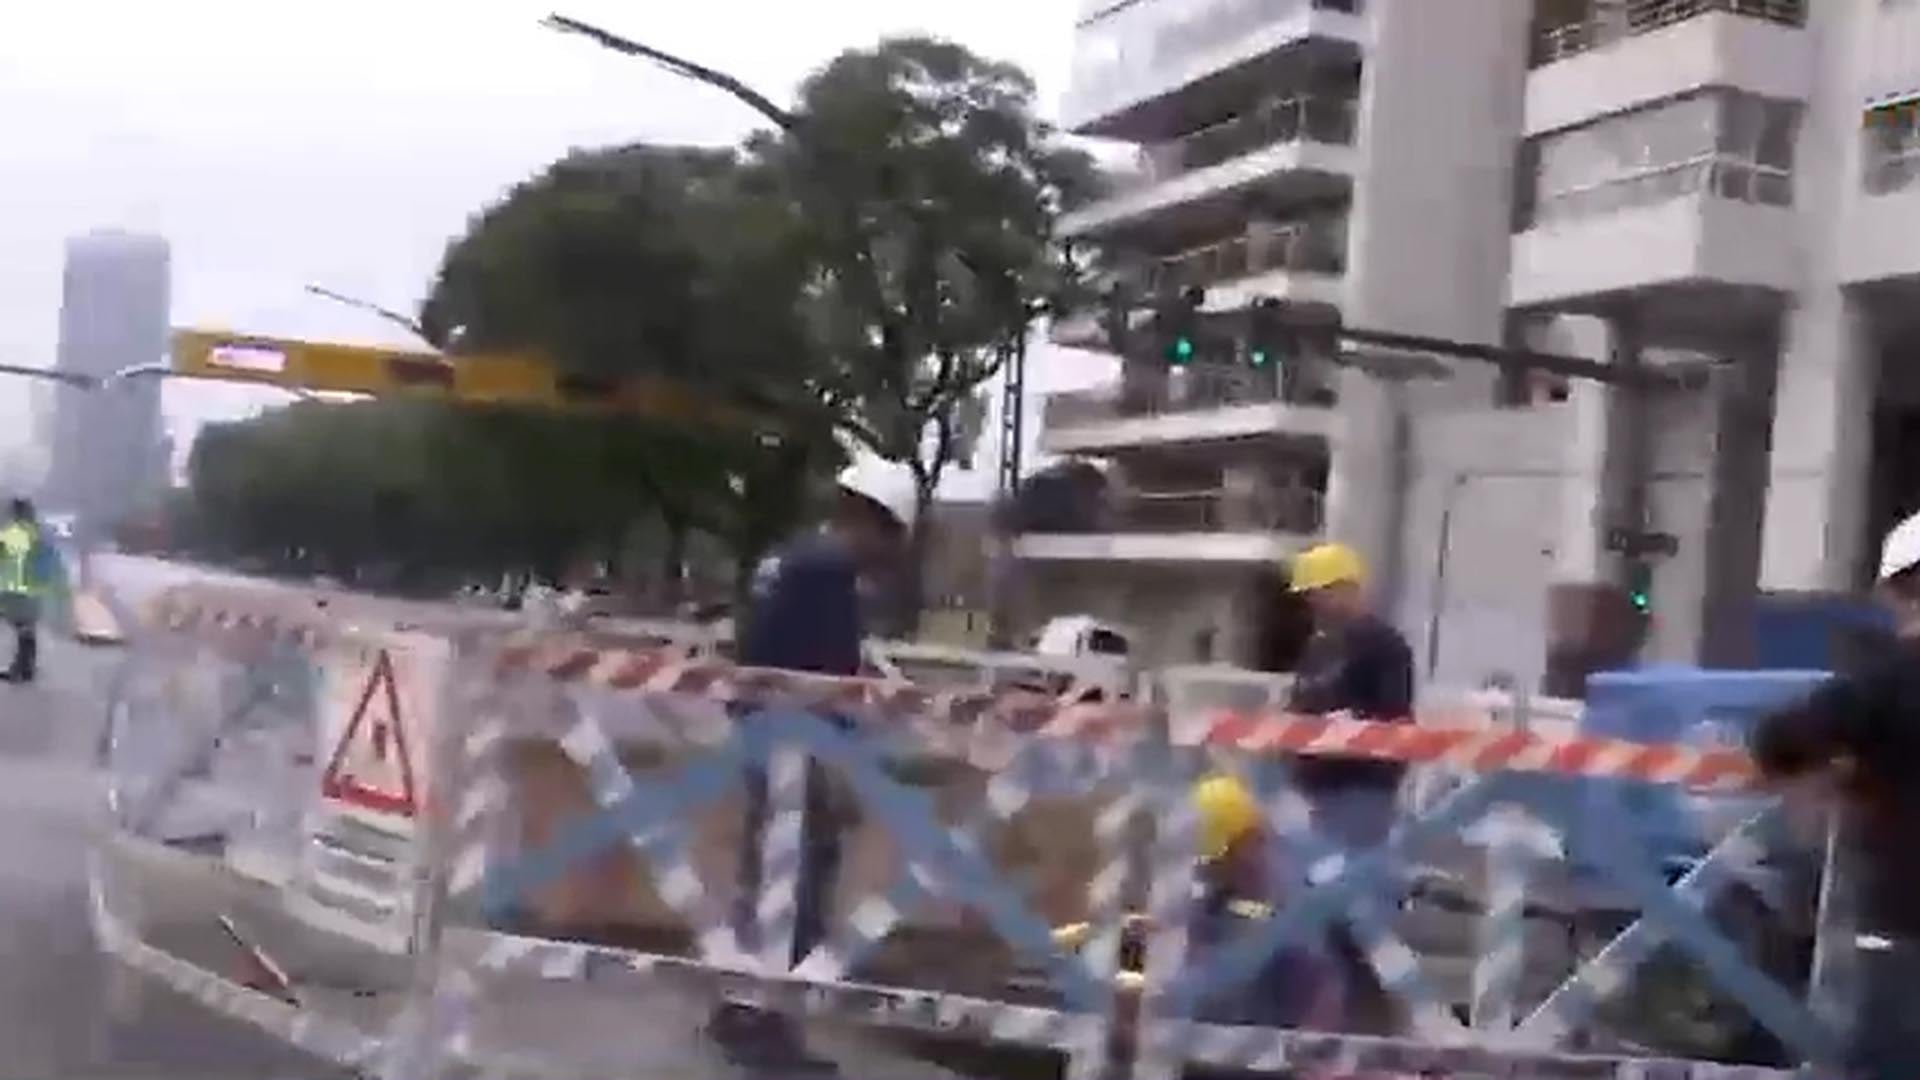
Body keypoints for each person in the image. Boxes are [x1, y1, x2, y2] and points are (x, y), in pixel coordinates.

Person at [707, 456, 915, 1071]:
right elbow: (830, 681)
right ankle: (769, 1030)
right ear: (877, 523)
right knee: (796, 890)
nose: (892, 554)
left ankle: (737, 1008)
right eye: (894, 537)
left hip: (760, 736)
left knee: (761, 880)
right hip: (796, 746)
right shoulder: (832, 574)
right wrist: (846, 765)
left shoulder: (788, 558)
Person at [1751, 509, 1920, 1080]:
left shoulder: (1890, 682)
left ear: (1899, 591)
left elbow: (1779, 740)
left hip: (1906, 929)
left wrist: (1833, 778)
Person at [1282, 541, 1415, 1035]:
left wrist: (1347, 730)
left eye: (1319, 592)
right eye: (1309, 595)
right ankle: (1325, 1022)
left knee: (1358, 914)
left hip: (1360, 792)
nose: (1313, 602)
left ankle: (1373, 1026)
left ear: (1346, 588)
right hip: (1315, 793)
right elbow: (1299, 708)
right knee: (1314, 914)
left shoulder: (1383, 645)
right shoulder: (1319, 647)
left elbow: (1395, 720)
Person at [0, 499, 49, 684]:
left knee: (24, 629)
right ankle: (26, 668)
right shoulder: (36, 531)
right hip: (31, 587)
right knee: (27, 629)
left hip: (21, 589)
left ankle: (21, 669)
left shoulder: (19, 532)